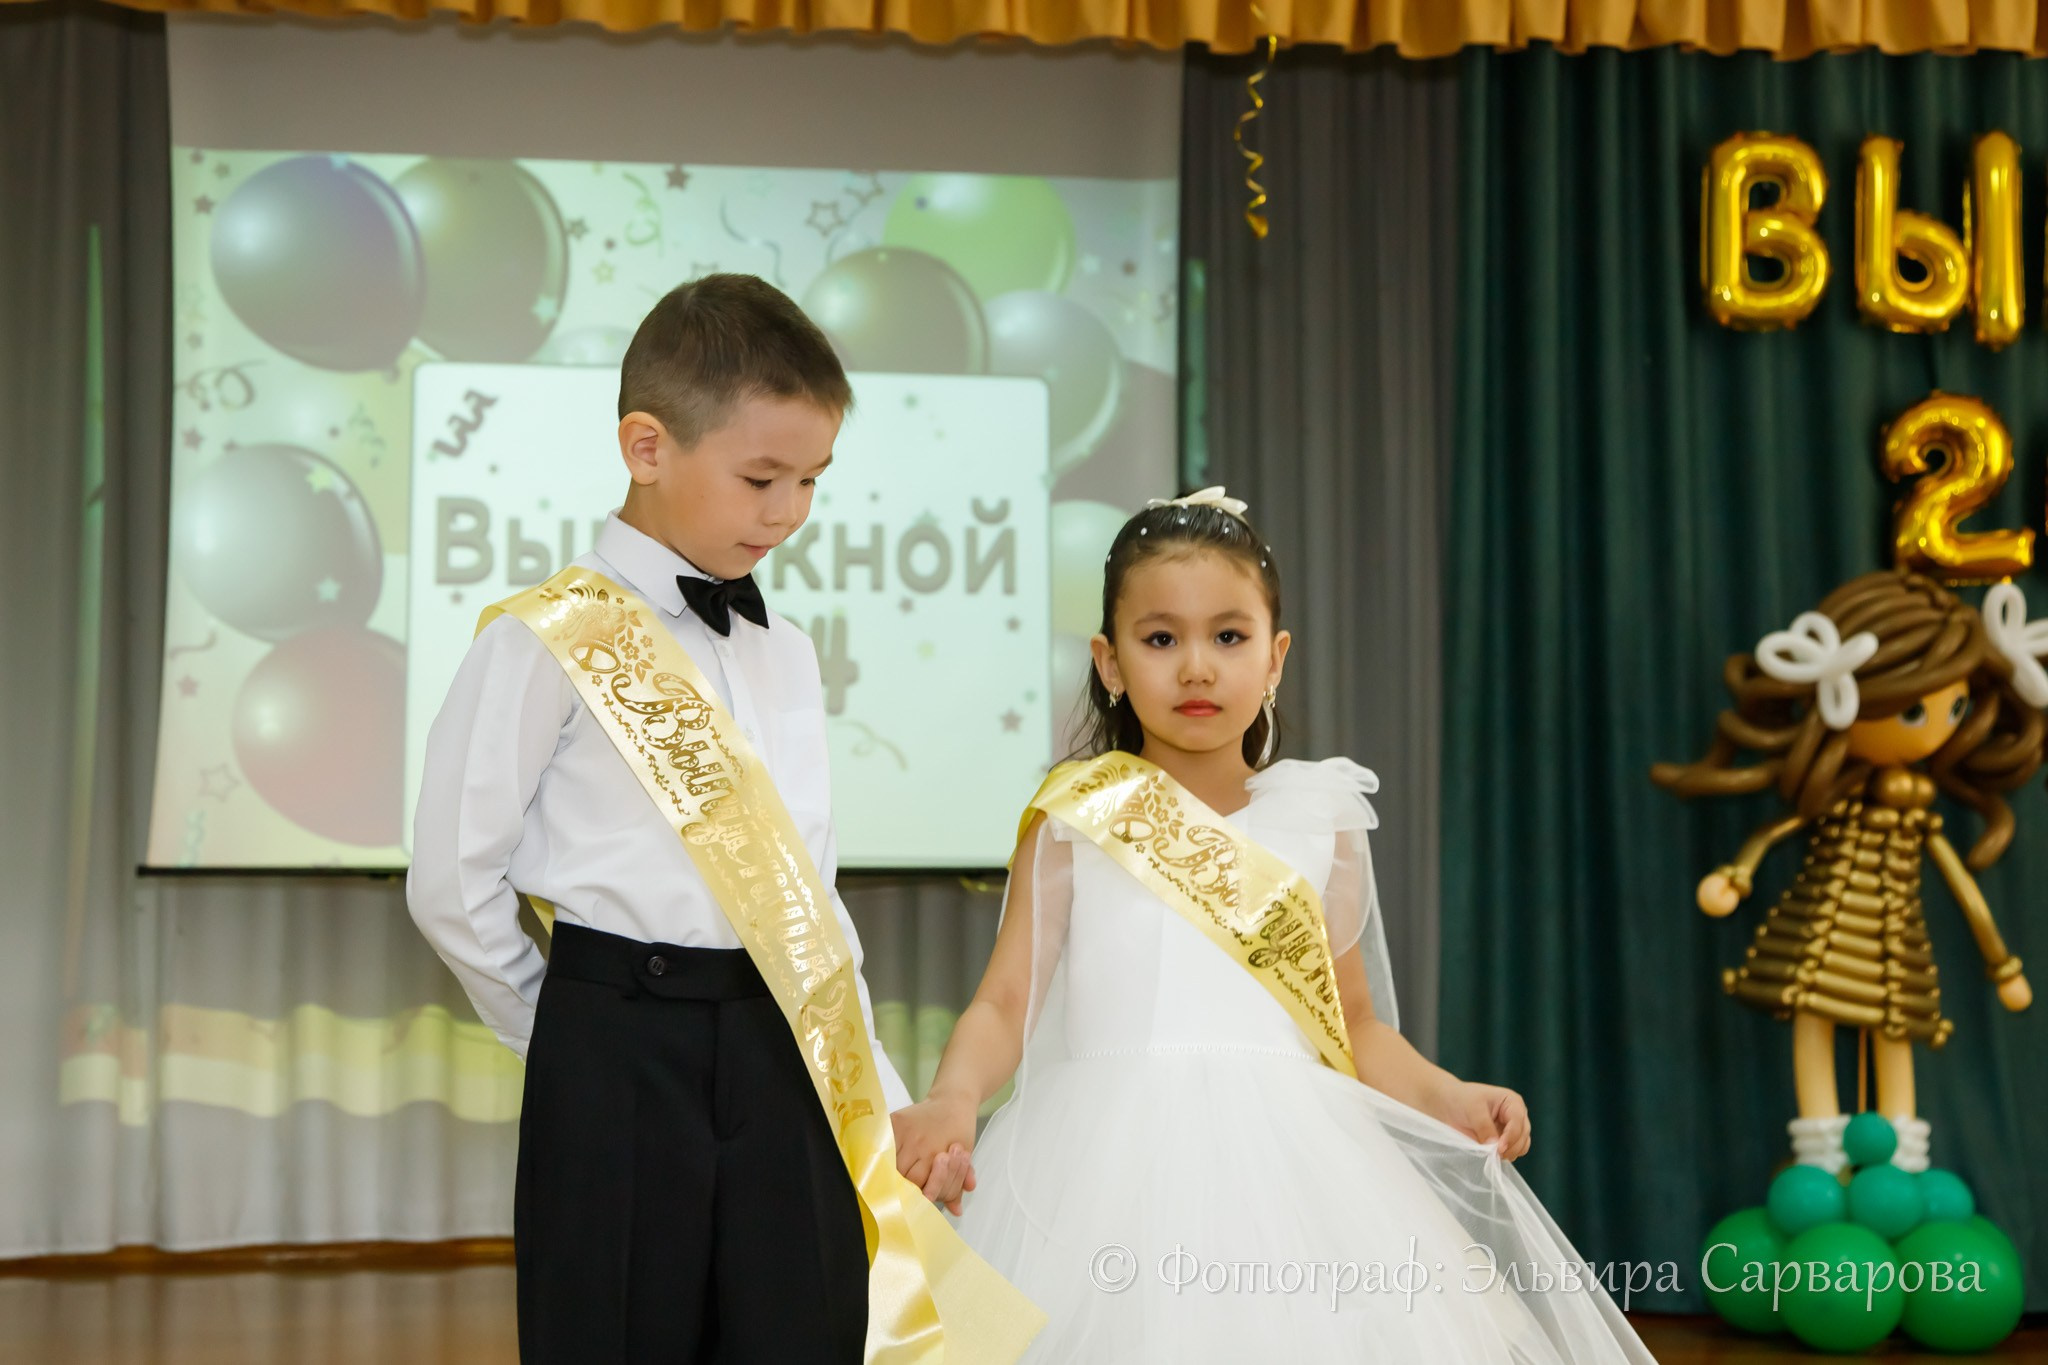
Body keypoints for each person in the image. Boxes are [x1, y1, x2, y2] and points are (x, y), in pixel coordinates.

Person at [893, 487, 1658, 1362]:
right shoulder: (1076, 819)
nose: (1196, 667)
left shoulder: (1319, 818)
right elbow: (1004, 1002)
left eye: (1229, 636)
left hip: (1300, 1171)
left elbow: (1355, 1023)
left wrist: (1446, 1094)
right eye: (1160, 639)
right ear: (1109, 661)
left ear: (1275, 656)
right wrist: (954, 1097)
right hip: (1101, 1171)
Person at [408, 274, 1017, 1364]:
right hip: (615, 1045)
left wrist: (877, 1092)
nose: (788, 511)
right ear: (646, 446)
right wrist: (569, 1037)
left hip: (785, 1050)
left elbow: (806, 897)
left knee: (805, 1325)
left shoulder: (787, 652)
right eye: (760, 478)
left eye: (811, 481)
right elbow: (453, 883)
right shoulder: (542, 638)